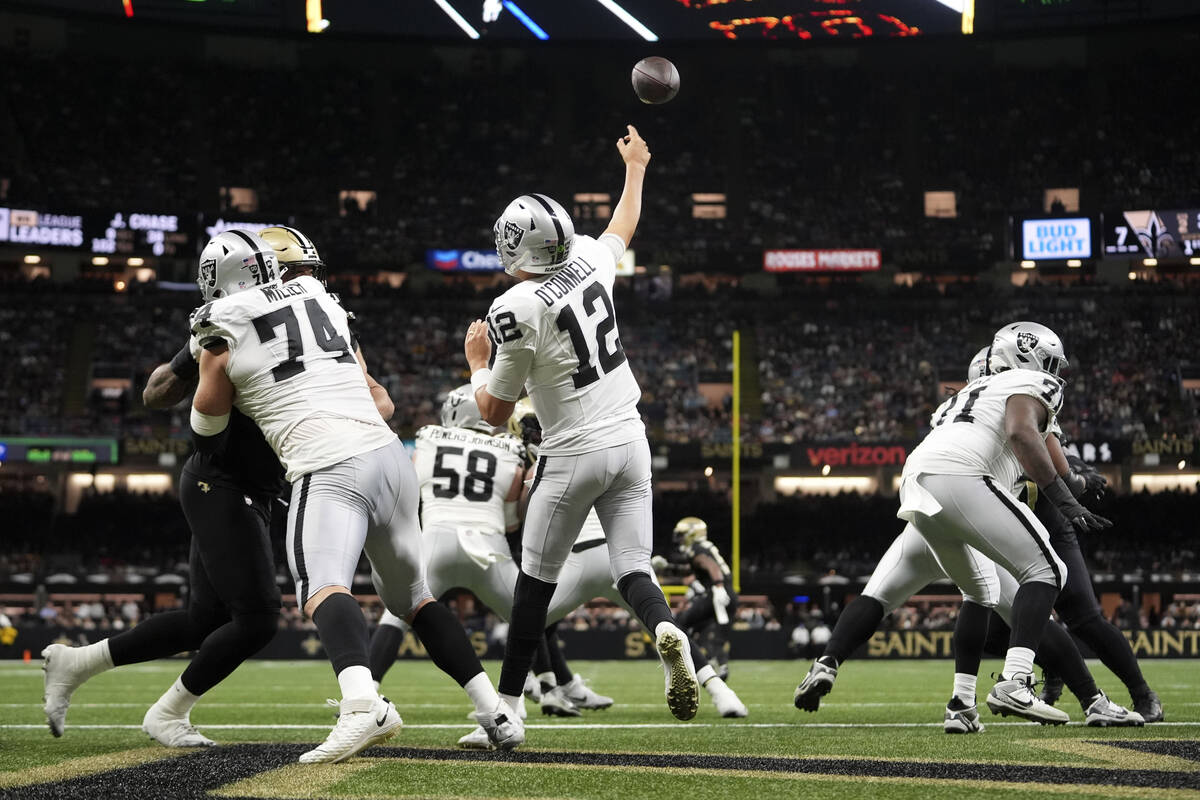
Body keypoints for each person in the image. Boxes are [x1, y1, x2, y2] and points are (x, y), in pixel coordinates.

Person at [186, 228, 516, 762]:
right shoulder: (323, 301)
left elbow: (206, 428)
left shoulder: (221, 326)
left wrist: (219, 370)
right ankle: (495, 711)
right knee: (414, 598)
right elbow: (375, 397)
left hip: (328, 463)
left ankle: (363, 706)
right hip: (388, 458)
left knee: (321, 583)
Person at [38, 227, 342, 747]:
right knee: (259, 620)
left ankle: (76, 662)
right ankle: (168, 713)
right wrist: (200, 351)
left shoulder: (313, 317)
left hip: (251, 486)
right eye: (301, 269)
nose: (310, 279)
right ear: (266, 271)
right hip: (220, 484)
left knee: (204, 620)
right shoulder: (231, 323)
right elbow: (157, 393)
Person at [462, 124, 700, 747]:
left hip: (572, 454)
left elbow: (491, 412)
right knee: (632, 567)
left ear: (517, 246)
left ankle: (507, 711)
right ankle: (665, 629)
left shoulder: (515, 309)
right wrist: (637, 167)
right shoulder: (590, 264)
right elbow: (622, 226)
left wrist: (475, 364)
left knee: (533, 588)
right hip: (632, 439)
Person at [794, 345, 1141, 731]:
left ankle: (952, 701)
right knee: (1046, 572)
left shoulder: (960, 401)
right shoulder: (1030, 386)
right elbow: (1028, 438)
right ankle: (1032, 686)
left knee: (953, 594)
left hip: (918, 489)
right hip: (966, 491)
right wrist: (1073, 492)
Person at [367, 388, 610, 719]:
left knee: (395, 616)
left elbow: (406, 489)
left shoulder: (426, 438)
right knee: (525, 615)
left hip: (435, 541)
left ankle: (365, 692)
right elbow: (512, 522)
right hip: (489, 547)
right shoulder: (509, 449)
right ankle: (533, 696)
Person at [670, 517, 736, 681]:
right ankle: (719, 665)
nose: (679, 539)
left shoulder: (696, 549)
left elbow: (710, 565)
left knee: (680, 624)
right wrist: (668, 566)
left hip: (716, 593)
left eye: (682, 534)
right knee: (710, 633)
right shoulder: (704, 547)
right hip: (728, 594)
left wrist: (719, 585)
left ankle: (688, 663)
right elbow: (693, 568)